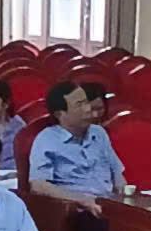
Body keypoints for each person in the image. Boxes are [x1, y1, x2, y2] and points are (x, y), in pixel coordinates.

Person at [29, 81, 125, 216]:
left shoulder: (99, 133)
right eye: (79, 105)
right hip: (76, 211)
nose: (88, 109)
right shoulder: (47, 139)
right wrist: (81, 200)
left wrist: (125, 195)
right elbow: (38, 185)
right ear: (60, 114)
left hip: (108, 206)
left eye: (86, 102)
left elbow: (117, 174)